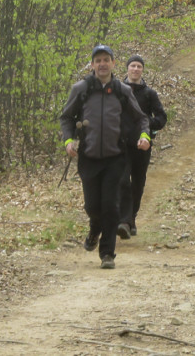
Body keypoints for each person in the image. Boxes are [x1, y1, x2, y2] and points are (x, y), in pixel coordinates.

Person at [61, 45, 150, 269]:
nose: (102, 64)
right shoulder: (81, 89)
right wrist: (69, 140)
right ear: (92, 65)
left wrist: (144, 135)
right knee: (93, 206)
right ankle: (94, 229)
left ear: (113, 63)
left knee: (110, 205)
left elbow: (141, 118)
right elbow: (66, 118)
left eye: (106, 60)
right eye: (98, 60)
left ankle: (107, 253)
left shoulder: (122, 90)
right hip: (89, 157)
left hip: (115, 157)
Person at [117, 55, 167, 241]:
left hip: (142, 146)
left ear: (142, 70)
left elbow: (162, 117)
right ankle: (124, 221)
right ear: (127, 69)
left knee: (137, 183)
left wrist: (147, 125)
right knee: (123, 182)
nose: (136, 69)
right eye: (133, 66)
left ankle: (131, 219)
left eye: (139, 66)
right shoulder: (117, 91)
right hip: (120, 145)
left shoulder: (149, 94)